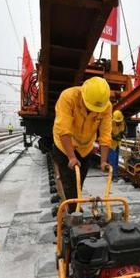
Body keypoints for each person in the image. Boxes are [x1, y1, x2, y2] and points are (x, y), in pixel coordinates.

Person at [52, 76, 112, 212]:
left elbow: (105, 135)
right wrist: (71, 157)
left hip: (85, 147)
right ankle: (73, 211)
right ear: (83, 94)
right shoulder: (68, 97)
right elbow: (64, 130)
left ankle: (75, 202)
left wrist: (103, 161)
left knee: (80, 179)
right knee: (69, 181)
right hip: (64, 146)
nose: (95, 111)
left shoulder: (106, 106)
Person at [108, 110, 125, 181]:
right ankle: (113, 175)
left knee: (116, 160)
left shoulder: (122, 123)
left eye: (119, 121)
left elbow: (122, 131)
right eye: (117, 121)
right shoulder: (110, 123)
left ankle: (115, 174)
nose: (118, 122)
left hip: (117, 144)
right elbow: (107, 133)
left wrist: (121, 135)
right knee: (112, 160)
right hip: (111, 145)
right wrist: (113, 136)